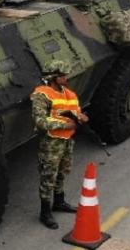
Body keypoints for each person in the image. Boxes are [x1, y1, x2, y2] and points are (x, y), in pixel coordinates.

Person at [31, 60, 89, 229]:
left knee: (62, 172)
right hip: (51, 143)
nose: (66, 77)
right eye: (63, 75)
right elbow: (40, 121)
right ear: (53, 77)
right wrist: (66, 125)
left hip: (67, 141)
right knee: (48, 176)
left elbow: (76, 113)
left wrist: (82, 118)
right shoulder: (42, 94)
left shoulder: (70, 94)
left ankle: (59, 201)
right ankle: (45, 212)